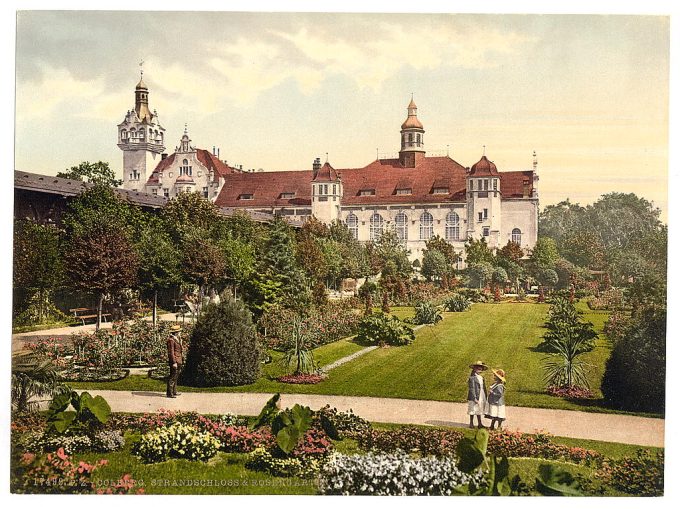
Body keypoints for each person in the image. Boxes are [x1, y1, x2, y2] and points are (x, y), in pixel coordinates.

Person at [467, 360, 488, 429]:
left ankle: (479, 423)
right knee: (473, 409)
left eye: (481, 368)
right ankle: (471, 423)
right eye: (478, 368)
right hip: (475, 395)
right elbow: (472, 388)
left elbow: (483, 387)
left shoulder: (481, 378)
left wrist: (485, 395)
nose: (480, 369)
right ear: (474, 369)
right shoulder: (472, 378)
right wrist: (474, 398)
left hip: (481, 394)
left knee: (479, 409)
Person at [166, 324, 183, 398]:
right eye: (179, 331)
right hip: (175, 360)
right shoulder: (171, 340)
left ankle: (174, 391)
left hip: (178, 359)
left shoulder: (177, 339)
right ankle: (170, 393)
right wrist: (174, 362)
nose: (180, 332)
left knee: (176, 376)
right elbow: (171, 352)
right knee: (172, 376)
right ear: (176, 332)